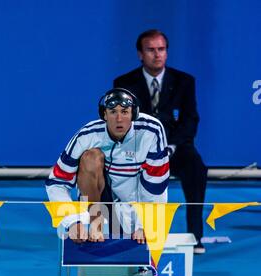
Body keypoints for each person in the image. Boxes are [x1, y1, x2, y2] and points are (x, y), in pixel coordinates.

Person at [114, 29, 208, 254]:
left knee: (196, 167)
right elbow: (120, 120)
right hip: (137, 151)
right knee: (115, 169)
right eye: (151, 50)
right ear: (140, 54)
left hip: (175, 150)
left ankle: (195, 235)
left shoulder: (184, 81)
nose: (157, 54)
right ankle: (124, 234)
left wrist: (170, 147)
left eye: (161, 49)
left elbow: (190, 120)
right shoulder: (124, 82)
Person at [46, 88, 170, 244]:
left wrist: (145, 224)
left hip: (140, 207)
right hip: (99, 210)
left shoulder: (151, 131)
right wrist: (72, 221)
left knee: (143, 256)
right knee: (90, 158)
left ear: (134, 113)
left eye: (124, 112)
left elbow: (155, 186)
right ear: (104, 114)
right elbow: (56, 183)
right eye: (113, 112)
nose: (119, 119)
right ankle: (95, 225)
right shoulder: (87, 135)